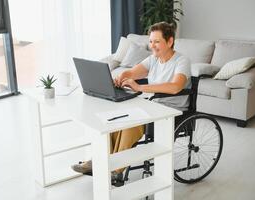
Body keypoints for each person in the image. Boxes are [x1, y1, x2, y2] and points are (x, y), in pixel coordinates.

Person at [72, 21, 191, 183]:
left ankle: (116, 169)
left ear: (169, 41)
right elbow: (133, 72)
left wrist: (140, 88)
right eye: (151, 41)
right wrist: (122, 77)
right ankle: (100, 161)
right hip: (153, 103)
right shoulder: (154, 58)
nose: (152, 46)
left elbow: (176, 87)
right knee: (115, 120)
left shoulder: (181, 61)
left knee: (132, 123)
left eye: (157, 41)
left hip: (171, 108)